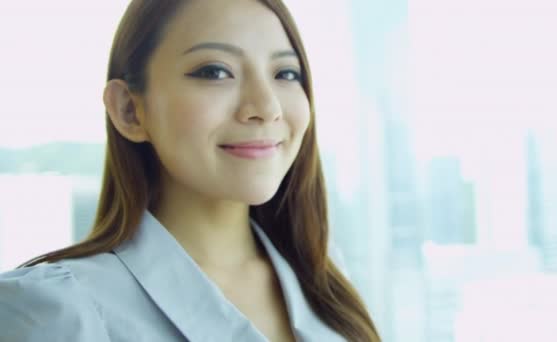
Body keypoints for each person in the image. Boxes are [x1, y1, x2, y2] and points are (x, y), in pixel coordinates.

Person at [0, 0, 380, 341]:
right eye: (215, 72)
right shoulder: (56, 312)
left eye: (285, 74)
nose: (266, 106)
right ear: (130, 110)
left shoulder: (322, 279)